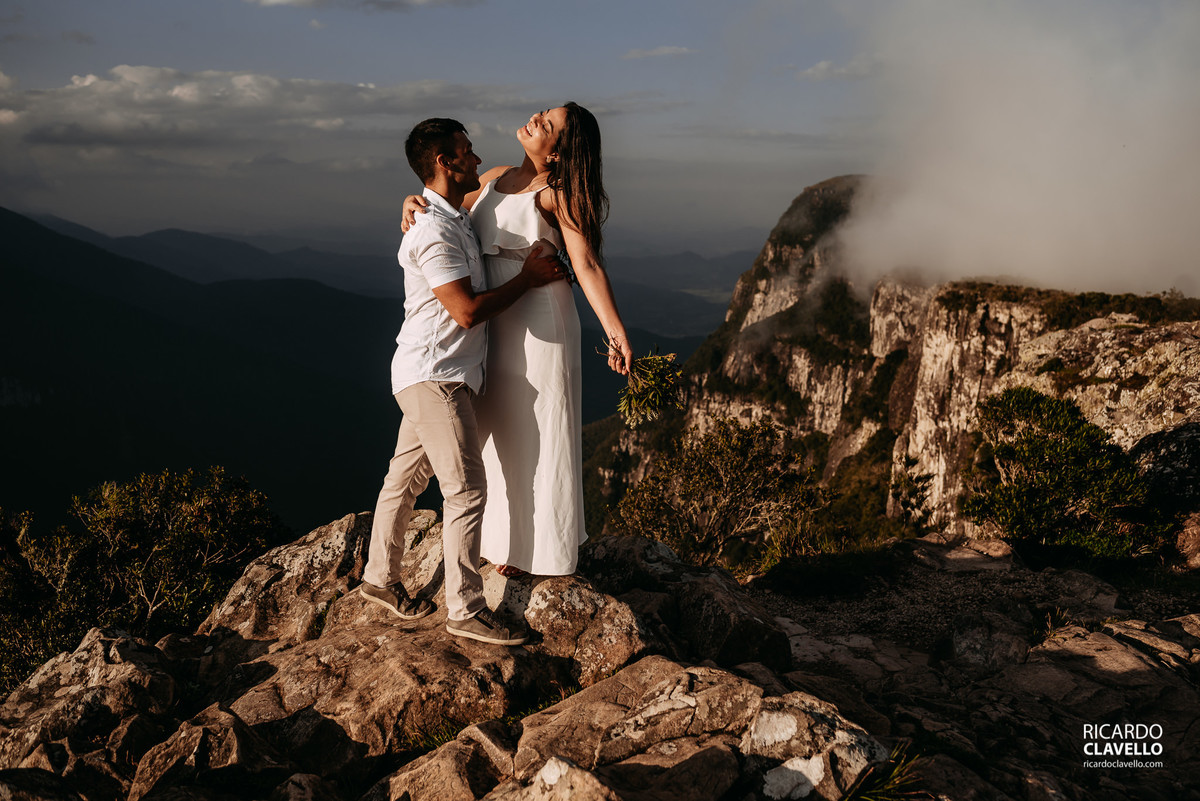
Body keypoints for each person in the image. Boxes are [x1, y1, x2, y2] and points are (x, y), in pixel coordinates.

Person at [402, 103, 632, 579]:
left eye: (547, 125)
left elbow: (586, 265)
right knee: (499, 430)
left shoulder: (557, 193)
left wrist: (616, 334)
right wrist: (410, 201)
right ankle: (504, 541)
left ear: (557, 153)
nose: (535, 119)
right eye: (543, 112)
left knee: (541, 429)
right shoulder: (496, 178)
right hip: (497, 318)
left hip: (543, 322)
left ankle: (542, 554)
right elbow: (443, 209)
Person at [360, 117, 566, 646]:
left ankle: (379, 579)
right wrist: (529, 279)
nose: (476, 159)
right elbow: (467, 312)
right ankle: (465, 609)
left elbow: (497, 187)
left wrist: (411, 197)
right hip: (436, 376)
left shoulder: (450, 214)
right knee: (467, 489)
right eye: (466, 152)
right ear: (446, 162)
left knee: (403, 479)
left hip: (429, 372)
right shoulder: (435, 230)